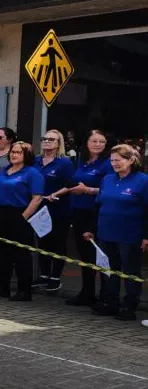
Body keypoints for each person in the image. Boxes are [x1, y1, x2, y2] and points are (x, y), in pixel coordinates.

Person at [88, 144, 148, 320]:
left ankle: (129, 307)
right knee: (109, 270)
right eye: (112, 160)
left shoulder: (143, 181)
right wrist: (91, 229)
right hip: (106, 233)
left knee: (130, 271)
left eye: (118, 160)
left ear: (131, 160)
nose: (114, 163)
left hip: (130, 235)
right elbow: (99, 205)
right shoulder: (107, 179)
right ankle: (110, 303)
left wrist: (146, 235)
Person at [0, 141, 44, 301]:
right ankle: (2, 286)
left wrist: (23, 217)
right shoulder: (4, 170)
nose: (14, 154)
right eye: (12, 152)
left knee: (20, 255)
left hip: (19, 213)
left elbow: (37, 198)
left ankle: (23, 290)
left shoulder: (32, 173)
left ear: (26, 155)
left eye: (18, 152)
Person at [63, 130, 113, 307]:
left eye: (102, 141)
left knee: (100, 255)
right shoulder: (81, 161)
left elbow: (110, 190)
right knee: (85, 256)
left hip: (96, 213)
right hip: (78, 211)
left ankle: (106, 296)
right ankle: (87, 292)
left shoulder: (107, 164)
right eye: (95, 141)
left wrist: (88, 190)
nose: (98, 144)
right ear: (86, 143)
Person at [35, 129, 75, 293]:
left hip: (59, 208)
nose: (47, 141)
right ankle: (43, 275)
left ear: (59, 143)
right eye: (44, 138)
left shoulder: (65, 163)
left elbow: (71, 185)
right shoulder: (36, 161)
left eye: (51, 139)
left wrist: (56, 194)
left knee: (58, 242)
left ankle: (55, 277)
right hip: (39, 208)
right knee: (42, 241)